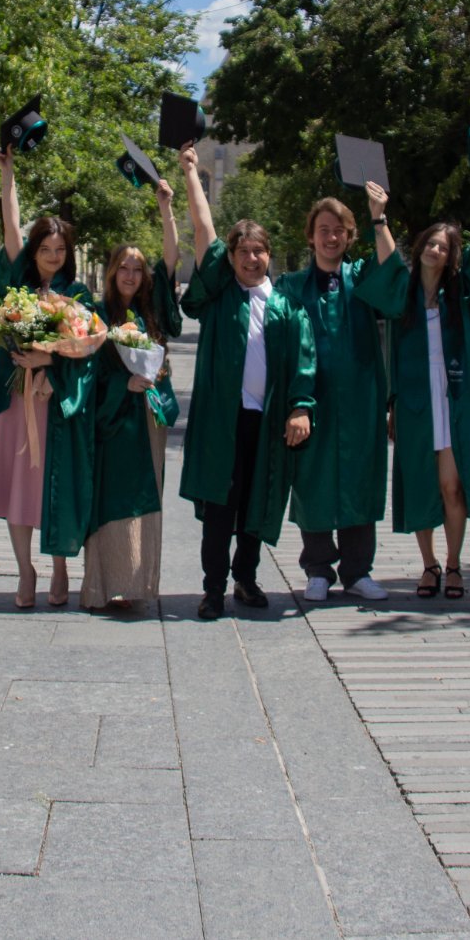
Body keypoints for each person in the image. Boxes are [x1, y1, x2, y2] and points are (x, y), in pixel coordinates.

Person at [176, 143, 317, 620]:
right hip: (223, 420)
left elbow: (304, 361)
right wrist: (192, 174)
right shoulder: (220, 297)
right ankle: (213, 589)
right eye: (243, 251)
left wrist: (300, 406)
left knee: (256, 505)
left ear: (269, 255)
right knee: (221, 507)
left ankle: (247, 579)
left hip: (268, 420)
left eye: (258, 251)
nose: (251, 258)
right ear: (231, 257)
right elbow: (204, 229)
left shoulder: (286, 306)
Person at [365, 170, 470, 600]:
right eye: (431, 243)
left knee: (451, 486)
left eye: (443, 247)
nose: (435, 250)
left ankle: (454, 564)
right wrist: (378, 217)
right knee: (421, 484)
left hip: (453, 401)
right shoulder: (404, 295)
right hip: (414, 403)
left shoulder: (460, 294)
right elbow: (388, 261)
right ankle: (428, 565)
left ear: (450, 257)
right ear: (421, 247)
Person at [0, 147, 99, 609]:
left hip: (54, 403)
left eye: (59, 249)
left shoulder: (78, 294)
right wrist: (7, 175)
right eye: (45, 249)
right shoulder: (20, 287)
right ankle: (24, 569)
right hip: (15, 400)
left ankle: (60, 567)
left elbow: (86, 347)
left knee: (53, 486)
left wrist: (48, 360)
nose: (52, 256)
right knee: (18, 484)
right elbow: (11, 228)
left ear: (68, 253)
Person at [278, 188, 401, 603]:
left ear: (350, 236)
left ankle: (357, 571)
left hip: (361, 401)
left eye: (339, 230)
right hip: (309, 401)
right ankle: (317, 570)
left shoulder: (362, 278)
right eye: (323, 230)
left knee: (360, 480)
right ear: (310, 236)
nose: (331, 237)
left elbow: (393, 278)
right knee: (311, 481)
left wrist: (379, 218)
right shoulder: (291, 287)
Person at [85, 180, 184, 612]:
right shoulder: (97, 315)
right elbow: (88, 372)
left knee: (147, 494)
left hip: (147, 417)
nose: (130, 275)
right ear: (112, 272)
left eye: (137, 270)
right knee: (111, 496)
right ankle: (101, 585)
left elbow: (171, 258)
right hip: (112, 418)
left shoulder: (151, 311)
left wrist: (166, 209)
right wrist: (120, 385)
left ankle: (136, 584)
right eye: (123, 268)